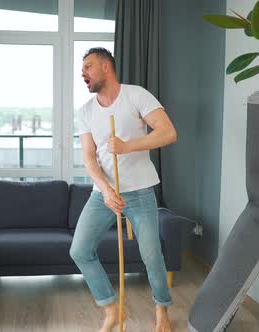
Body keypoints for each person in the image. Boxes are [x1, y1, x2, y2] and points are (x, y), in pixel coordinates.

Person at [69, 47, 177, 332]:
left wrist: (129, 146)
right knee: (79, 250)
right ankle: (111, 310)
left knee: (151, 255)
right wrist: (104, 189)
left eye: (89, 67)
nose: (83, 73)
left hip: (140, 190)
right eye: (83, 69)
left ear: (106, 67)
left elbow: (168, 133)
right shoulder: (86, 112)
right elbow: (89, 157)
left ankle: (161, 309)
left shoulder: (136, 95)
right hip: (103, 193)